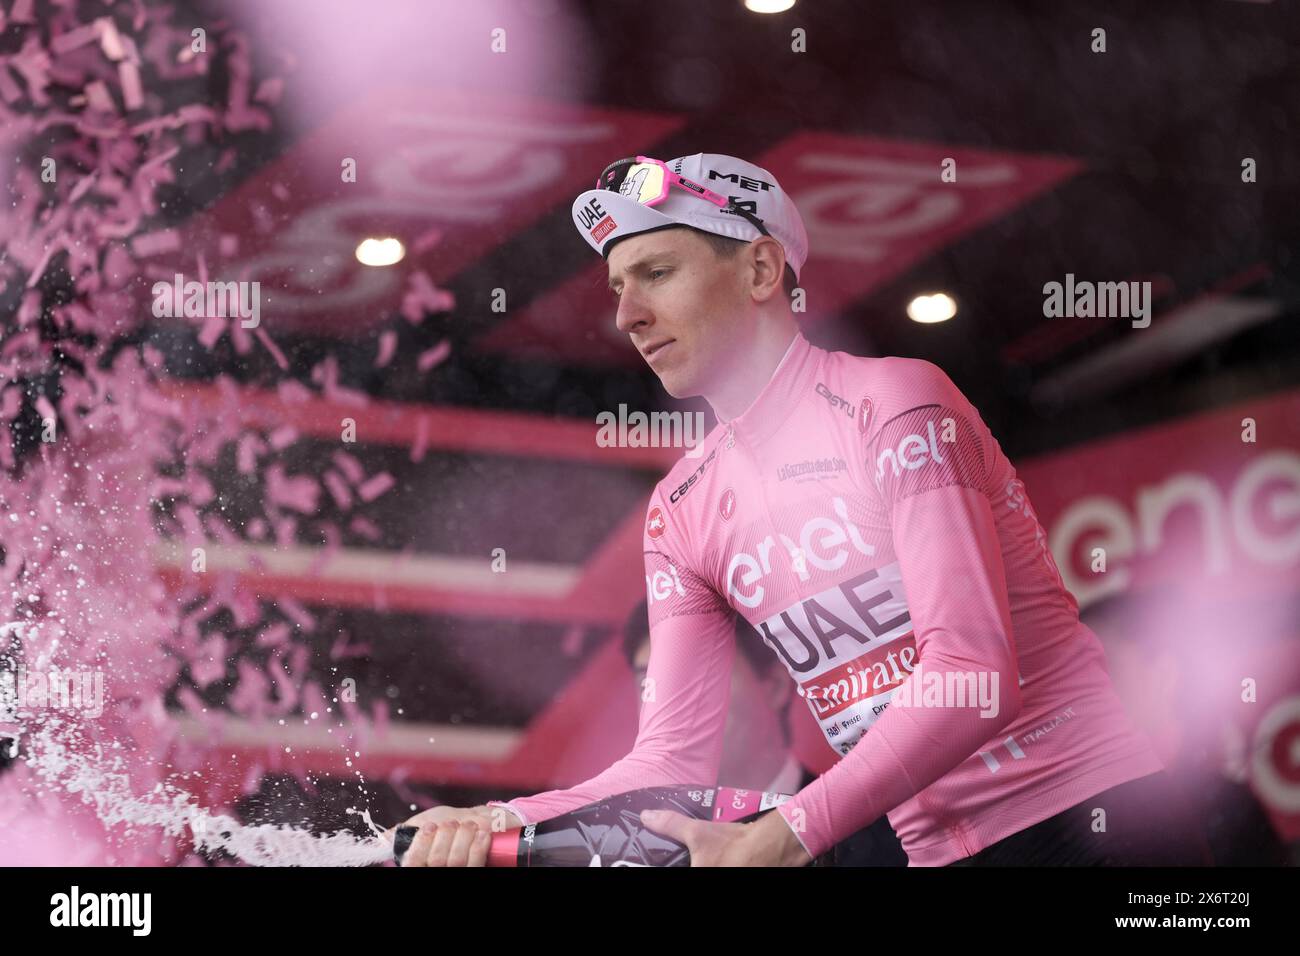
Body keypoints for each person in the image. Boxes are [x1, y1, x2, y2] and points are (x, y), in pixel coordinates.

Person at [396, 153, 1209, 867]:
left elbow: (970, 676)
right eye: (616, 286)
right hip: (926, 851)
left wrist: (790, 832)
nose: (626, 314)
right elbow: (671, 763)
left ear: (758, 271)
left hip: (1088, 824)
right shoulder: (681, 507)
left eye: (657, 272)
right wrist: (501, 818)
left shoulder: (895, 401)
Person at [621, 598, 906, 866]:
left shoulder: (887, 836)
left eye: (699, 674)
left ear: (774, 685)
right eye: (649, 683)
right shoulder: (622, 847)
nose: (670, 703)